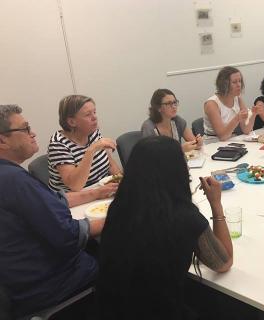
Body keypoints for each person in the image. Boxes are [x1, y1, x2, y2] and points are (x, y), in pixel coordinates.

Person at [96, 136, 233, 319]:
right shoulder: (185, 217)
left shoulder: (119, 206)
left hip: (112, 309)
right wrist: (216, 205)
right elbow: (224, 263)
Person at [0, 105, 112, 317]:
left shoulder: (9, 176)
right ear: (2, 140)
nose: (32, 133)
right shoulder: (14, 181)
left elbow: (53, 200)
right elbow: (69, 234)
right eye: (25, 129)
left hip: (23, 282)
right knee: (129, 258)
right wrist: (121, 215)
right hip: (54, 285)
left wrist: (96, 193)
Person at [48, 95, 122, 192]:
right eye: (88, 114)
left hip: (100, 190)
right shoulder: (58, 145)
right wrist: (91, 150)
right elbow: (75, 185)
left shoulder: (92, 131)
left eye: (94, 112)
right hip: (73, 200)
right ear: (72, 122)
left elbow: (110, 164)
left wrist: (123, 182)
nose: (94, 117)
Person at [203, 66, 263, 140]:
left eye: (240, 81)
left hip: (230, 140)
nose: (239, 85)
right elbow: (222, 136)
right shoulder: (211, 104)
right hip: (213, 143)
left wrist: (254, 114)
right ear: (224, 85)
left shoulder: (238, 99)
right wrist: (237, 118)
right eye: (234, 82)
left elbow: (246, 130)